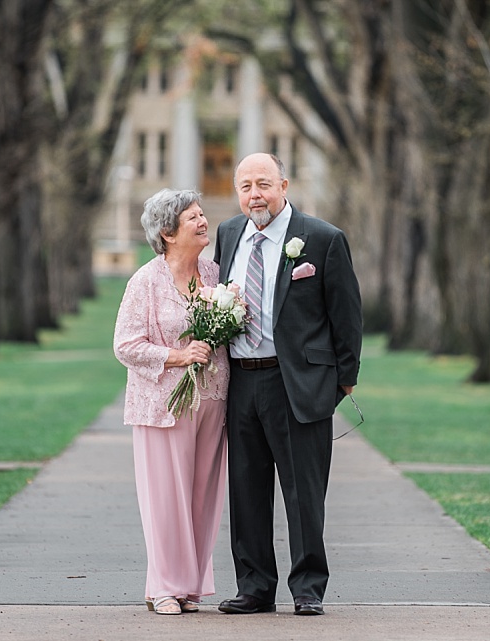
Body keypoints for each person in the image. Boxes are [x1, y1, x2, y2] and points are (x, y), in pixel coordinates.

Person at [214, 153, 362, 616]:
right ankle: (254, 587)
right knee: (246, 490)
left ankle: (307, 589)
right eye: (244, 186)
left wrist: (343, 382)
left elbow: (347, 315)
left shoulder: (321, 239)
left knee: (303, 493)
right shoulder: (228, 234)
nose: (253, 194)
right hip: (241, 381)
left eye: (262, 184)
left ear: (284, 184)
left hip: (297, 383)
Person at [113, 188, 229, 616]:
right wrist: (178, 356)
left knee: (202, 494)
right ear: (167, 232)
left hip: (214, 399)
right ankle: (162, 585)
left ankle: (191, 584)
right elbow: (125, 345)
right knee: (165, 497)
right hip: (162, 406)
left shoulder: (216, 275)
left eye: (203, 215)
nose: (203, 222)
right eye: (193, 218)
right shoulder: (145, 280)